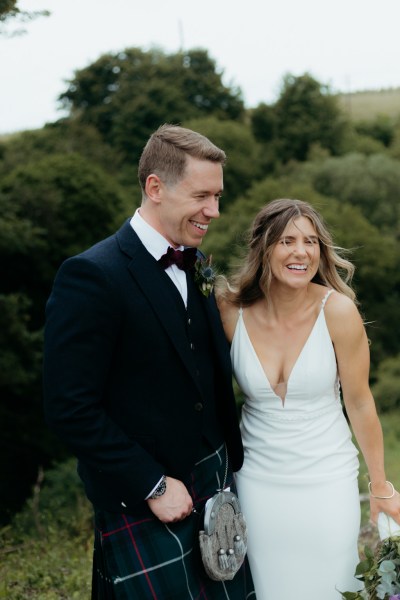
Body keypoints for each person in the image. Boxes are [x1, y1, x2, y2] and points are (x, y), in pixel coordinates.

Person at [43, 124, 254, 599]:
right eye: (202, 195)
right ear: (155, 188)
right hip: (144, 501)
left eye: (218, 196)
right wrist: (154, 486)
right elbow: (68, 407)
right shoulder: (92, 276)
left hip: (216, 481)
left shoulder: (195, 261)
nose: (214, 211)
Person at [216, 198, 400, 600]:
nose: (301, 252)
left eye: (311, 241)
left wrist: (382, 487)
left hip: (326, 481)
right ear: (264, 249)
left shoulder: (338, 311)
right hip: (256, 483)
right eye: (287, 241)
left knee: (331, 584)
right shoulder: (230, 311)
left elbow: (360, 402)